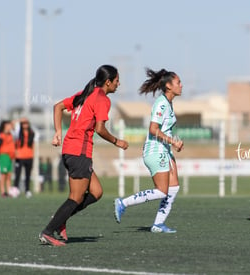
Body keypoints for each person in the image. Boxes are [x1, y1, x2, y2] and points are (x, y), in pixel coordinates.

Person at [39, 64, 129, 246]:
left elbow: (57, 107)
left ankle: (60, 219)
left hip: (71, 150)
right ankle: (49, 231)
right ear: (108, 82)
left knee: (96, 192)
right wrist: (116, 141)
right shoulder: (102, 99)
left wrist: (58, 132)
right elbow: (100, 129)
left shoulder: (86, 93)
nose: (119, 84)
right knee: (75, 197)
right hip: (78, 151)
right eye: (117, 81)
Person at [114, 68, 184, 233]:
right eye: (178, 82)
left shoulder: (168, 103)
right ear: (168, 86)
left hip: (164, 150)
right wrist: (173, 141)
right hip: (156, 150)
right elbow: (153, 129)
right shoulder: (161, 103)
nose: (181, 85)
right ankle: (123, 203)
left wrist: (172, 143)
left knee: (173, 188)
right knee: (161, 191)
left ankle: (158, 224)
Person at [13, 118, 35, 198]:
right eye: (23, 123)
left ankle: (27, 190)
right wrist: (20, 120)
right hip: (19, 157)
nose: (25, 125)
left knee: (28, 175)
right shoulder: (17, 133)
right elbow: (12, 124)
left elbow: (33, 145)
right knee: (17, 174)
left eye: (26, 123)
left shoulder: (31, 133)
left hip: (29, 157)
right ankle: (15, 190)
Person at [0, 120, 15, 197]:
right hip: (4, 156)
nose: (10, 127)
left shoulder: (10, 135)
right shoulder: (2, 135)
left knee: (9, 175)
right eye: (9, 125)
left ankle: (9, 191)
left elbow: (14, 125)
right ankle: (3, 192)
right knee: (3, 174)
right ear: (5, 126)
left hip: (10, 157)